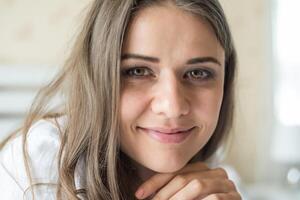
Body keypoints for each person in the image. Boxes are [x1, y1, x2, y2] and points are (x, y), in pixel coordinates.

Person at [0, 0, 241, 199]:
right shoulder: (38, 163)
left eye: (198, 73)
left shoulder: (216, 182)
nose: (172, 107)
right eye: (138, 71)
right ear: (98, 77)